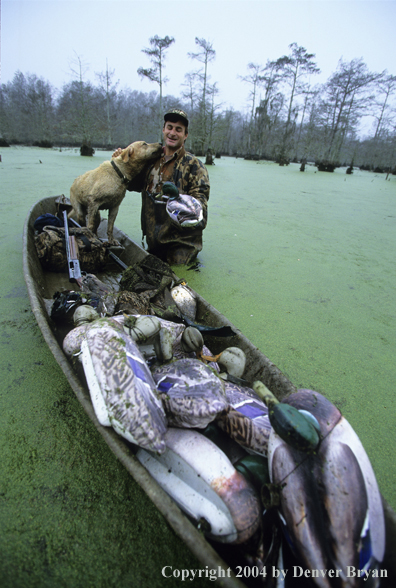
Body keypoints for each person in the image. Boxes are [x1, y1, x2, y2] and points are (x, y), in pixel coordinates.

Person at [114, 108, 210, 266]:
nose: (172, 133)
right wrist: (122, 163)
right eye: (170, 127)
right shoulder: (150, 159)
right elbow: (132, 183)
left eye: (178, 130)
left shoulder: (195, 166)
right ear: (163, 129)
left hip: (181, 247)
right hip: (153, 244)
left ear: (185, 135)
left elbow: (201, 215)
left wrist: (176, 202)